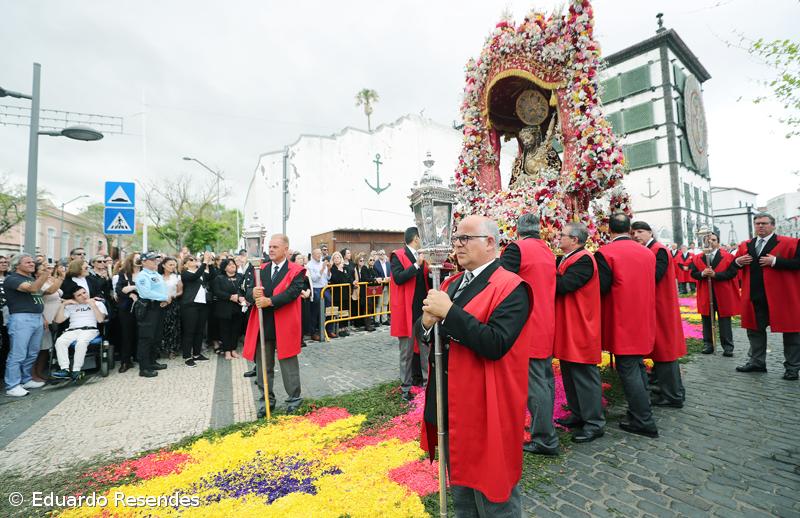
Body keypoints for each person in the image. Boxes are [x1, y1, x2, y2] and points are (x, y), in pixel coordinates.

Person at [415, 215, 531, 516]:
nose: (457, 244)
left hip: (487, 403)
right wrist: (426, 323)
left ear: (489, 243)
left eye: (465, 238)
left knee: (494, 494)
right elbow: (427, 332)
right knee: (462, 488)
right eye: (456, 238)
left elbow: (495, 343)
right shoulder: (451, 283)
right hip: (453, 403)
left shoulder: (512, 287)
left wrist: (450, 313)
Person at [499, 213, 559, 456]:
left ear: (517, 230)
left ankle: (545, 438)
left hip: (528, 324)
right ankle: (545, 427)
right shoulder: (547, 250)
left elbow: (501, 281)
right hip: (546, 321)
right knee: (545, 379)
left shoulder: (516, 249)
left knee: (535, 384)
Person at [595, 213, 658, 438]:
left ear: (608, 229)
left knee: (629, 368)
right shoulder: (647, 252)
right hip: (643, 316)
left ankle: (643, 419)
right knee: (638, 365)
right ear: (629, 230)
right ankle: (642, 412)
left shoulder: (605, 252)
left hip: (622, 318)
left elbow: (600, 288)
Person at [552, 223, 605, 443]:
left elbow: (565, 285)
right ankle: (577, 413)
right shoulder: (567, 257)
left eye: (562, 235)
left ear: (574, 240)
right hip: (568, 324)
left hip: (581, 325)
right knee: (569, 372)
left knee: (584, 375)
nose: (558, 237)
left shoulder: (584, 259)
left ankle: (594, 423)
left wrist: (542, 274)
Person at [244, 234, 306, 416]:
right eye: (269, 247)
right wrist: (252, 293)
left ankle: (294, 399)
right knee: (264, 366)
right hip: (264, 324)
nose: (270, 250)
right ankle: (266, 401)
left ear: (286, 249)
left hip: (285, 323)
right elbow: (246, 291)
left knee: (288, 364)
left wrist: (269, 301)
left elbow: (293, 293)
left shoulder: (296, 270)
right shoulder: (259, 269)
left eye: (275, 247)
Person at [733, 213, 800, 380]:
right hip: (755, 296)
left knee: (791, 333)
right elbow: (732, 265)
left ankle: (792, 368)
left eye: (764, 223)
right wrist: (738, 262)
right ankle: (757, 362)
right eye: (757, 224)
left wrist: (776, 262)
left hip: (782, 296)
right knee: (754, 331)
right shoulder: (746, 245)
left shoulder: (790, 243)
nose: (760, 226)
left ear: (773, 225)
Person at [632, 221, 686, 408]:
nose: (636, 235)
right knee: (662, 351)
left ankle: (673, 395)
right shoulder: (651, 249)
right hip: (655, 306)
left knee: (666, 351)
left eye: (640, 232)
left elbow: (655, 276)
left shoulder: (658, 250)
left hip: (662, 307)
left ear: (650, 233)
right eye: (633, 232)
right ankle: (670, 391)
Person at [390, 227, 430, 401]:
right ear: (416, 238)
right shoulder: (397, 255)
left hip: (423, 311)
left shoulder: (423, 256)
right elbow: (398, 278)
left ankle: (429, 384)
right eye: (421, 237)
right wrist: (416, 265)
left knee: (426, 349)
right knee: (406, 353)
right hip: (407, 311)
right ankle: (405, 389)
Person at [3, 254, 50, 397]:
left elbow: (43, 294)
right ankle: (12, 385)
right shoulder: (12, 279)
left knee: (32, 352)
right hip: (21, 319)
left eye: (32, 262)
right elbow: (32, 289)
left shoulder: (30, 278)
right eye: (28, 262)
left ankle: (26, 379)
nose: (32, 264)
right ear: (17, 265)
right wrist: (44, 275)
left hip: (36, 318)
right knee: (18, 353)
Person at [690, 232, 740, 356]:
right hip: (706, 293)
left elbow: (732, 273)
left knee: (724, 321)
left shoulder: (728, 256)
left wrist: (715, 275)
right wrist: (702, 274)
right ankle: (708, 344)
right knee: (706, 319)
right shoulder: (697, 258)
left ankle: (728, 346)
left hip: (723, 293)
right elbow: (693, 273)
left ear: (718, 241)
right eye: (707, 240)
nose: (710, 242)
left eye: (713, 239)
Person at [50, 286, 107, 380]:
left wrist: (93, 305)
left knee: (81, 342)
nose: (83, 296)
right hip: (72, 330)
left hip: (89, 329)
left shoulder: (98, 303)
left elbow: (100, 320)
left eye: (84, 293)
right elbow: (58, 320)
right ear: (74, 298)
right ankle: (65, 369)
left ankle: (76, 370)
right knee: (60, 341)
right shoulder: (71, 306)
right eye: (79, 295)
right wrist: (63, 305)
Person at [135, 252, 169, 378]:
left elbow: (161, 289)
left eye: (156, 259)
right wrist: (165, 297)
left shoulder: (155, 274)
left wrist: (164, 299)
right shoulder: (142, 276)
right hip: (148, 307)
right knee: (146, 338)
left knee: (156, 336)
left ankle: (152, 362)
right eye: (152, 260)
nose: (155, 261)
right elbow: (146, 293)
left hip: (158, 307)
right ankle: (144, 368)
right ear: (143, 262)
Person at [33, 262, 65, 382]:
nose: (47, 271)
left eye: (47, 269)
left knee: (48, 347)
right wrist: (61, 277)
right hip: (46, 315)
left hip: (57, 315)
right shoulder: (37, 283)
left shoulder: (50, 280)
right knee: (41, 346)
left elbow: (57, 294)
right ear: (36, 273)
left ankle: (41, 372)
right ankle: (34, 374)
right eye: (43, 269)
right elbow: (51, 291)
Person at [180, 253, 213, 366]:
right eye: (191, 259)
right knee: (189, 331)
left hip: (202, 304)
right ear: (185, 264)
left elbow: (211, 276)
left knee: (200, 330)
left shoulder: (201, 272)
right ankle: (187, 356)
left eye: (195, 259)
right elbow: (194, 277)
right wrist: (204, 262)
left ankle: (197, 354)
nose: (194, 261)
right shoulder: (185, 274)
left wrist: (210, 263)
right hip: (190, 305)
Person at [213, 258, 245, 360]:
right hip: (224, 308)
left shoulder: (240, 277)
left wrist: (240, 296)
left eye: (233, 264)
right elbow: (217, 292)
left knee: (235, 330)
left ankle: (233, 350)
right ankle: (227, 351)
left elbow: (244, 289)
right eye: (230, 264)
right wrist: (230, 297)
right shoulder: (219, 278)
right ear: (224, 267)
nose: (233, 266)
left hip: (238, 308)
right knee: (225, 330)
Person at [115, 253, 141, 373]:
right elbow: (119, 290)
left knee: (140, 332)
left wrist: (131, 288)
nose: (139, 259)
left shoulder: (145, 273)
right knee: (126, 334)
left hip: (142, 307)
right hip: (126, 308)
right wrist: (130, 293)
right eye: (136, 258)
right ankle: (125, 361)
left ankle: (138, 356)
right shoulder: (124, 273)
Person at [159, 256, 183, 359]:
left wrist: (173, 296)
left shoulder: (177, 277)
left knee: (173, 327)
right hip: (159, 304)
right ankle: (161, 349)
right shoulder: (158, 277)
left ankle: (173, 350)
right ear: (164, 265)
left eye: (174, 265)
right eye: (170, 264)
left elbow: (180, 291)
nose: (173, 267)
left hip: (173, 304)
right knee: (161, 327)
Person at [307, 248, 329, 341]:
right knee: (315, 312)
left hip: (325, 288)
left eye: (320, 253)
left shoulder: (322, 263)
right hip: (316, 289)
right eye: (317, 254)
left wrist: (329, 269)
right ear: (312, 255)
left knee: (326, 310)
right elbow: (314, 279)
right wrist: (323, 268)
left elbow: (327, 277)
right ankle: (313, 332)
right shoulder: (309, 265)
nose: (319, 255)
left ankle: (324, 329)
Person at [329, 251, 353, 337]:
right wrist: (339, 271)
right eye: (334, 258)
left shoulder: (345, 267)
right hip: (337, 293)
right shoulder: (332, 269)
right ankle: (339, 329)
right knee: (339, 311)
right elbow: (336, 280)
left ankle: (345, 328)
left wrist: (353, 282)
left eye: (338, 257)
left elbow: (348, 278)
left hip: (345, 292)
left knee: (345, 310)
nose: (336, 259)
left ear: (341, 258)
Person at [356, 252, 376, 332]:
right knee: (367, 307)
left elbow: (374, 276)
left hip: (370, 290)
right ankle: (367, 325)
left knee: (370, 306)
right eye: (370, 260)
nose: (372, 261)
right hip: (365, 290)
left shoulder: (371, 268)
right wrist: (374, 279)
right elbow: (365, 278)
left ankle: (369, 324)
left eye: (373, 260)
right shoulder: (364, 268)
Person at [373, 249, 391, 325]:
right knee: (379, 303)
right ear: (378, 255)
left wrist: (389, 278)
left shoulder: (388, 263)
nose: (382, 255)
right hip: (380, 285)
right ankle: (377, 320)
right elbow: (376, 276)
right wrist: (384, 279)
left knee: (385, 303)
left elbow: (391, 273)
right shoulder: (376, 264)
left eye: (383, 253)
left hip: (388, 285)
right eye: (380, 254)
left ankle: (384, 319)